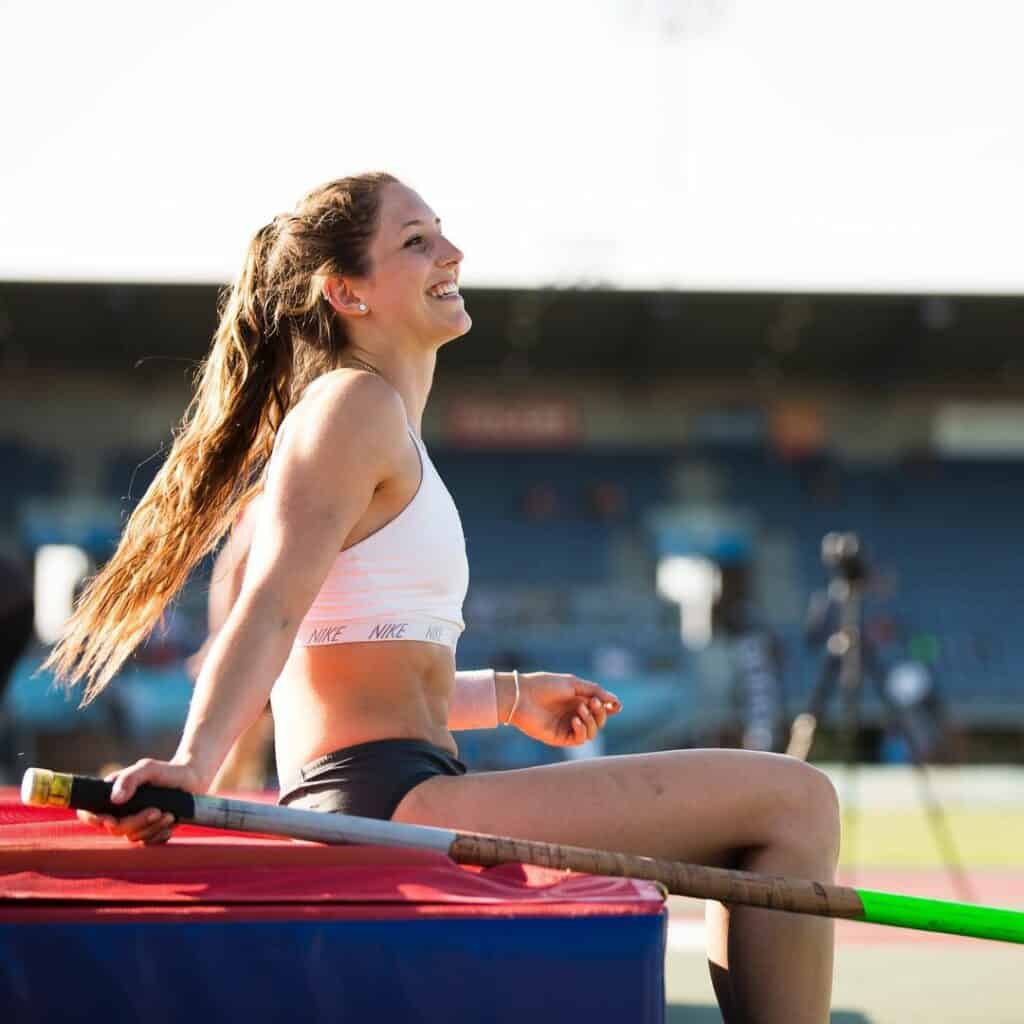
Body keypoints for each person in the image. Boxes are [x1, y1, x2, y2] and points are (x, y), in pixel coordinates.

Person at [47, 173, 839, 1023]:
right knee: (794, 802)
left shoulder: (371, 418)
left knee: (785, 807)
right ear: (346, 290)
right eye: (416, 241)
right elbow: (271, 606)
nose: (452, 254)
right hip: (382, 801)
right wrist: (195, 764)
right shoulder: (352, 407)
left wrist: (509, 696)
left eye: (442, 232)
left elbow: (348, 665)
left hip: (398, 783)